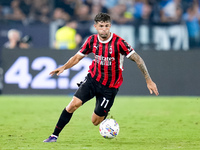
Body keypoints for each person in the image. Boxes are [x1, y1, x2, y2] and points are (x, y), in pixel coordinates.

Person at [43, 12, 159, 142]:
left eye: (107, 26)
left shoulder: (119, 42)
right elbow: (77, 57)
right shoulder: (91, 40)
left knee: (95, 121)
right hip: (93, 80)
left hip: (110, 87)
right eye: (101, 26)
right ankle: (54, 136)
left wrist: (148, 80)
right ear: (96, 27)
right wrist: (64, 67)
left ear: (110, 26)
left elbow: (138, 59)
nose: (104, 29)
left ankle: (105, 114)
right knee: (72, 105)